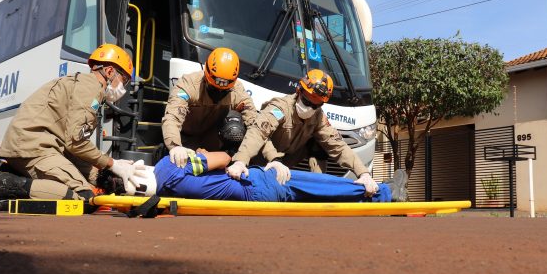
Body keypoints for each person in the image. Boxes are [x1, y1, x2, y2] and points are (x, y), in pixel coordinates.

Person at [0, 43, 147, 212]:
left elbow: (72, 150)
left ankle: (4, 174)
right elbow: (76, 143)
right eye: (123, 80)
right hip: (33, 147)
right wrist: (112, 164)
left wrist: (103, 177)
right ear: (109, 72)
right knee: (84, 198)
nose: (122, 88)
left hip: (35, 145)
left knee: (87, 189)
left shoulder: (83, 85)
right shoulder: (90, 90)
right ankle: (0, 182)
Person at [97, 113, 405, 203]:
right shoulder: (168, 167)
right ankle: (383, 190)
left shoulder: (164, 193)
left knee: (314, 195)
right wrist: (218, 155)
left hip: (252, 197)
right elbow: (219, 157)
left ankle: (375, 197)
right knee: (321, 183)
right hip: (255, 182)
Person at [226, 69, 380, 195]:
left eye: (315, 105)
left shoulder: (318, 117)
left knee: (321, 143)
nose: (309, 108)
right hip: (261, 160)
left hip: (287, 163)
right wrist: (241, 161)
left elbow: (338, 146)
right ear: (299, 91)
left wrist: (363, 174)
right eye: (307, 101)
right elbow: (259, 132)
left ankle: (317, 187)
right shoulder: (281, 108)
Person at [162, 47, 262, 168]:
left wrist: (242, 159)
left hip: (214, 142)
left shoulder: (238, 91)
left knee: (236, 127)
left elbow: (257, 126)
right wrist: (175, 146)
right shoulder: (188, 84)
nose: (219, 91)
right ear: (206, 75)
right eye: (214, 88)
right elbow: (172, 116)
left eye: (224, 90)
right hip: (184, 141)